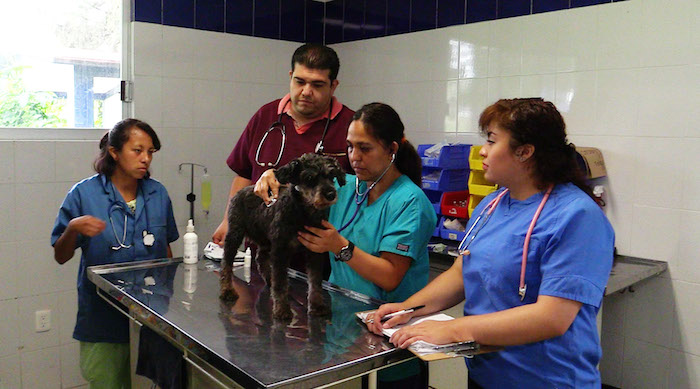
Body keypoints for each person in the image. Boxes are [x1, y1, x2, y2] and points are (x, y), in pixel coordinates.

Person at [368, 98, 615, 389]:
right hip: (486, 374)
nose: (482, 151)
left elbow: (552, 318)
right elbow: (461, 273)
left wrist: (452, 330)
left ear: (524, 152)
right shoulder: (492, 205)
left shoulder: (577, 216)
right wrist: (407, 309)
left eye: (491, 140)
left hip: (547, 380)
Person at [255, 102, 437, 389]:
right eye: (350, 147)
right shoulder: (347, 187)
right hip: (342, 334)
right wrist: (273, 175)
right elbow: (305, 176)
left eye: (365, 148)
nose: (354, 157)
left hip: (390, 340)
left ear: (392, 149)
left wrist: (339, 245)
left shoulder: (409, 203)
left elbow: (391, 275)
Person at [51, 118, 179, 388]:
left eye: (151, 152)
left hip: (152, 316)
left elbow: (167, 252)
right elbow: (61, 255)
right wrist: (73, 228)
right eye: (137, 150)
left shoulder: (158, 194)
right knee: (107, 382)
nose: (146, 158)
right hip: (102, 318)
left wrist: (173, 305)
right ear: (114, 152)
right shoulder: (84, 195)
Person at [212, 43, 354, 249]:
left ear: (333, 86)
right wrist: (228, 221)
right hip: (264, 246)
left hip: (317, 252)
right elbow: (243, 173)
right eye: (300, 81)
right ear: (290, 77)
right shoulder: (265, 116)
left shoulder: (350, 125)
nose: (306, 91)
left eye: (317, 85)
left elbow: (360, 191)